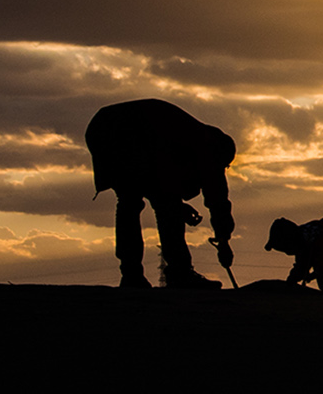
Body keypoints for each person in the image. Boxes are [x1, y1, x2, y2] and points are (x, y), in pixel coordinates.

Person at [85, 99, 237, 290]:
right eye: (223, 167)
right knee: (155, 205)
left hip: (102, 126)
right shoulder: (207, 147)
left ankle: (131, 275)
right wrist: (223, 240)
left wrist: (175, 204)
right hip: (129, 131)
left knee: (129, 202)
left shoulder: (186, 137)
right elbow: (217, 199)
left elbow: (157, 183)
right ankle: (179, 273)